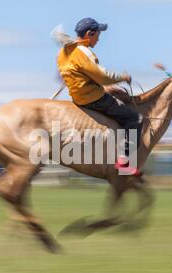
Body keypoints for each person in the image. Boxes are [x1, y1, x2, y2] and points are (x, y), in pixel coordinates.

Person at [56, 17, 143, 176]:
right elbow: (102, 76)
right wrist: (123, 77)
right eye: (98, 34)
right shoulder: (84, 52)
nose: (99, 38)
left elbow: (76, 72)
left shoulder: (64, 52)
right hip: (93, 98)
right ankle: (123, 161)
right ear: (90, 33)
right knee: (135, 118)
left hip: (77, 96)